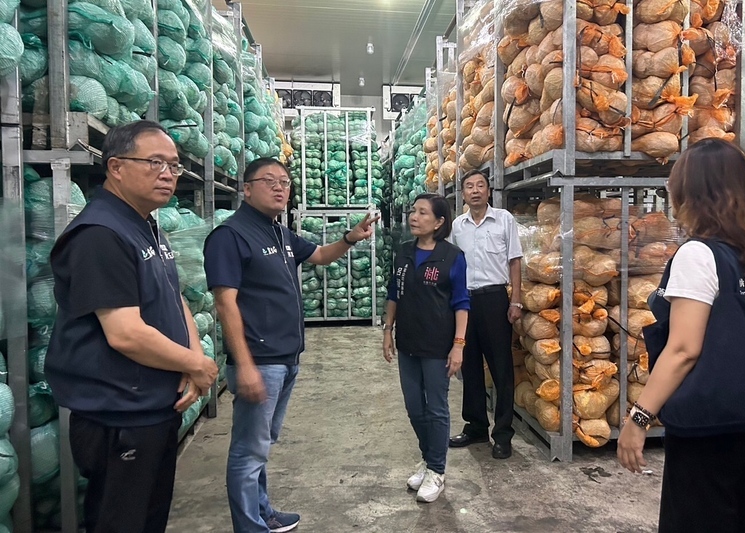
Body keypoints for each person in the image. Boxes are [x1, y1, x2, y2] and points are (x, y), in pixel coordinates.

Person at [45, 120, 219, 533]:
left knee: (149, 517)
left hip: (151, 407)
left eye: (174, 166)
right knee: (120, 521)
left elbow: (173, 295)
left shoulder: (145, 224)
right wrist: (197, 366)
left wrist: (193, 357)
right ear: (116, 166)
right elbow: (124, 333)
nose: (168, 174)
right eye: (155, 162)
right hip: (120, 414)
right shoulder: (101, 233)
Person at [617, 139, 745, 532]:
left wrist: (638, 418)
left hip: (708, 423)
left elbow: (683, 349)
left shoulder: (697, 254)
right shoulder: (743, 255)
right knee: (738, 516)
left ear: (690, 192)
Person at [203, 157, 379, 533]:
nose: (280, 187)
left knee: (262, 443)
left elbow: (318, 256)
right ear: (246, 189)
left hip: (285, 358)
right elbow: (224, 302)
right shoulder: (229, 236)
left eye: (285, 181)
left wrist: (350, 237)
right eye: (269, 181)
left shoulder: (280, 233)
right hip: (259, 361)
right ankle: (250, 526)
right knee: (248, 451)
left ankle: (263, 511)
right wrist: (245, 364)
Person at [382, 193, 469, 503]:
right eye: (413, 211)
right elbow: (395, 292)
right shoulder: (404, 253)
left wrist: (458, 346)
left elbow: (461, 303)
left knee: (436, 407)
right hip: (408, 342)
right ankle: (427, 456)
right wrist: (387, 330)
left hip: (438, 345)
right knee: (414, 407)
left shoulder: (452, 256)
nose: (414, 217)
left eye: (422, 212)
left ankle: (437, 469)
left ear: (439, 221)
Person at [448, 170, 524, 459]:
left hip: (495, 298)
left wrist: (515, 300)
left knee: (501, 368)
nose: (475, 190)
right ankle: (476, 426)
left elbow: (514, 261)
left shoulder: (504, 219)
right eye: (469, 186)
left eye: (480, 185)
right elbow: (454, 268)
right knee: (469, 366)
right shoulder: (458, 226)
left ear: (488, 191)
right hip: (466, 301)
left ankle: (503, 434)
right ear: (463, 194)